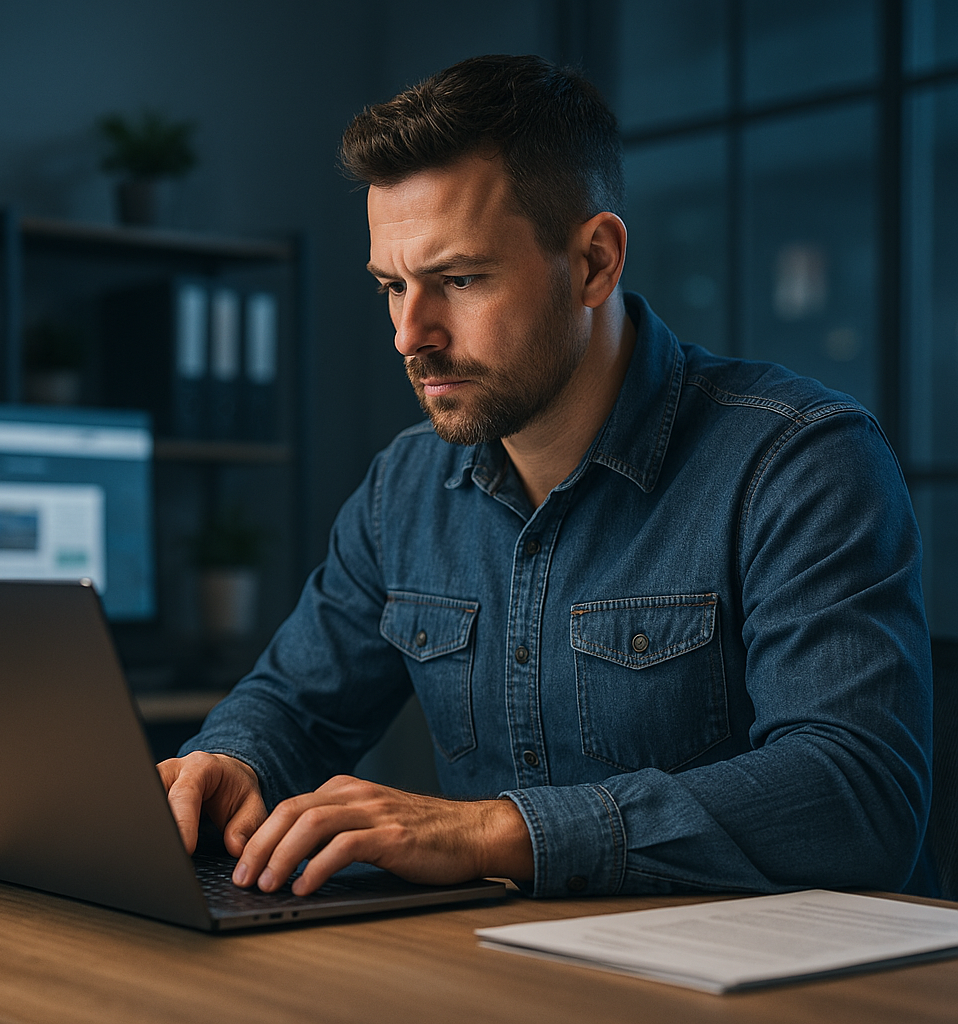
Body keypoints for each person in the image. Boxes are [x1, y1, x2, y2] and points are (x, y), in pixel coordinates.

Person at [160, 54, 934, 899]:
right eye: (393, 286)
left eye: (459, 280)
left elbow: (857, 801)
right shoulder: (405, 487)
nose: (409, 336)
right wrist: (232, 759)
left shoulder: (800, 461)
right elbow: (296, 704)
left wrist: (496, 831)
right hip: (505, 970)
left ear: (595, 262)